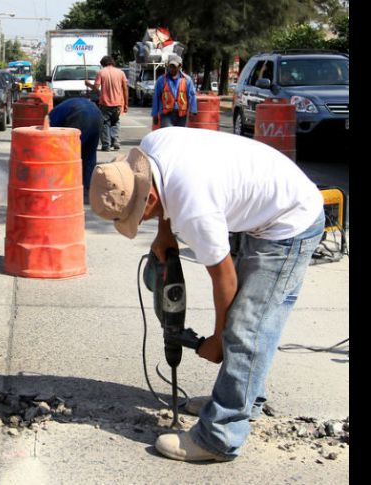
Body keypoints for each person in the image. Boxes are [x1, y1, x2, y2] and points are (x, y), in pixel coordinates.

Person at [88, 127, 325, 462]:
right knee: (252, 322)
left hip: (288, 222)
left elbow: (224, 279)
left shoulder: (195, 210)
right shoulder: (151, 150)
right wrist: (164, 233)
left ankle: (220, 437)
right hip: (264, 205)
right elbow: (160, 189)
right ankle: (245, 396)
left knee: (246, 328)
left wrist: (217, 338)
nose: (140, 220)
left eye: (139, 215)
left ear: (147, 198)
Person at [48, 97, 103, 198]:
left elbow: (49, 136)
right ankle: (87, 187)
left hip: (81, 115)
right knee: (89, 154)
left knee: (68, 154)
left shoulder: (51, 116)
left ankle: (65, 186)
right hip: (97, 114)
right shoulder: (63, 107)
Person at [84, 55, 128, 151]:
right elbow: (125, 89)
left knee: (105, 123)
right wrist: (126, 104)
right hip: (118, 103)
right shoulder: (121, 73)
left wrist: (88, 84)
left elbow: (96, 88)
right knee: (115, 122)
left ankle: (106, 145)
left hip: (105, 103)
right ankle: (115, 141)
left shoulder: (101, 72)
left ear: (103, 64)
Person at [151, 55, 197, 128]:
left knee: (179, 137)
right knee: (167, 135)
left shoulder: (187, 80)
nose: (172, 69)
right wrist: (155, 114)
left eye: (174, 66)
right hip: (166, 115)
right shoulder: (161, 80)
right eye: (170, 66)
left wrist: (193, 111)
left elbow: (192, 96)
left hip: (181, 115)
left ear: (180, 66)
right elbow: (156, 97)